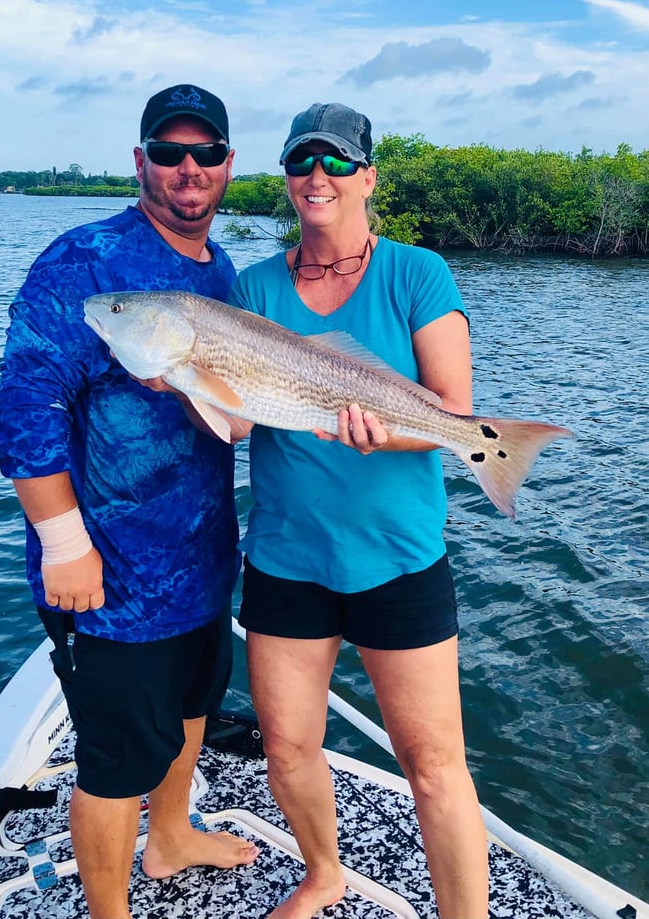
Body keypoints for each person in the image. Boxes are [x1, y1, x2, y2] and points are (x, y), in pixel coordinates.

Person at [0, 83, 258, 919]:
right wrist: (64, 540)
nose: (188, 169)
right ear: (140, 160)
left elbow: (231, 408)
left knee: (190, 712)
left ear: (226, 166)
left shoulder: (216, 270)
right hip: (108, 575)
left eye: (205, 153)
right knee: (113, 759)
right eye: (169, 152)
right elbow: (24, 408)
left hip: (201, 557)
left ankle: (171, 837)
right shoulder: (85, 261)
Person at [228, 103, 489, 919]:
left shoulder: (416, 273)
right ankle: (323, 873)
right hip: (286, 557)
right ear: (286, 180)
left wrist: (388, 434)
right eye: (302, 163)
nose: (318, 177)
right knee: (288, 747)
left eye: (336, 163)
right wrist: (178, 374)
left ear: (366, 177)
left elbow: (455, 411)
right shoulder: (254, 286)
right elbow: (236, 418)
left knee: (434, 762)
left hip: (397, 555)